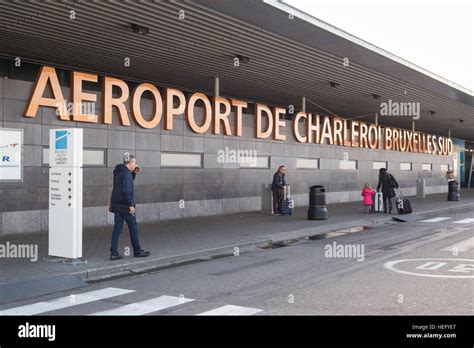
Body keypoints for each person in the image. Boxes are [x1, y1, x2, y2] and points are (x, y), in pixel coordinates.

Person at [109, 153, 150, 260]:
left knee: (117, 229)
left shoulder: (119, 171)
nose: (135, 164)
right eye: (134, 162)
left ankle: (114, 253)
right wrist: (131, 205)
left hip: (117, 205)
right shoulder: (126, 173)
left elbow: (124, 183)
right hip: (125, 206)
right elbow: (126, 189)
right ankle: (137, 251)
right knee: (133, 228)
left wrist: (134, 173)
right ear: (131, 162)